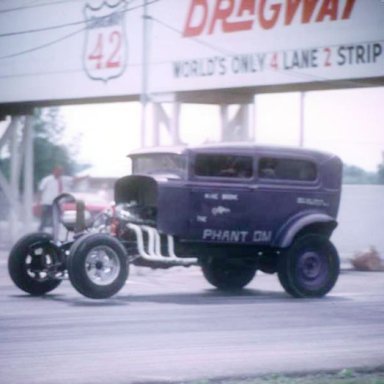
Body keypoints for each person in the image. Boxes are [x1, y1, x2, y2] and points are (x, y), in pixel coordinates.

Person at [37, 166, 75, 231]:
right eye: (58, 171)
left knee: (56, 218)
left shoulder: (64, 179)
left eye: (61, 171)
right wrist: (39, 201)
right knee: (44, 218)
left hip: (58, 203)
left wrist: (86, 176)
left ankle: (54, 233)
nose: (59, 172)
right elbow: (41, 190)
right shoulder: (47, 179)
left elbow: (74, 179)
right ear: (54, 171)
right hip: (47, 202)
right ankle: (40, 231)